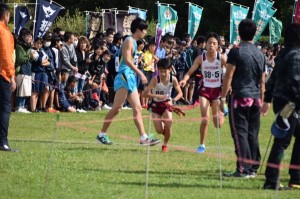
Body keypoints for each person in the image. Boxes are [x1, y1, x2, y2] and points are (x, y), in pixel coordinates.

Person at [96, 17, 160, 146]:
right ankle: (101, 134)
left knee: (137, 107)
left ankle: (143, 138)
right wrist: (141, 73)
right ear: (138, 30)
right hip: (124, 76)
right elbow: (128, 61)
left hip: (130, 77)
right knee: (117, 108)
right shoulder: (129, 41)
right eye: (144, 30)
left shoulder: (134, 43)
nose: (145, 33)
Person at [220, 19, 266, 178]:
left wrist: (222, 97)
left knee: (240, 132)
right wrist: (262, 100)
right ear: (255, 33)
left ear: (239, 32)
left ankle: (243, 168)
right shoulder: (260, 53)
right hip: (255, 99)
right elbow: (262, 81)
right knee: (252, 133)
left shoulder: (236, 51)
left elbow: (228, 75)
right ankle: (253, 167)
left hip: (240, 97)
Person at [261, 23, 300, 190]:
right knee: (282, 140)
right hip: (290, 104)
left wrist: (268, 99)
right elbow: (296, 82)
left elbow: (272, 78)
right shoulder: (296, 55)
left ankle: (296, 177)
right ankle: (271, 180)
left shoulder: (284, 54)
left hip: (282, 102)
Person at [180, 32, 227, 154]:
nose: (211, 45)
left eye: (214, 43)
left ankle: (222, 112)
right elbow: (189, 72)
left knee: (217, 124)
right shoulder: (201, 58)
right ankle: (201, 145)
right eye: (209, 43)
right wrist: (184, 80)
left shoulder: (221, 58)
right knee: (205, 119)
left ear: (218, 46)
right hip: (205, 91)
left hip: (217, 91)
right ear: (205, 45)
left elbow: (231, 72)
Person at [143, 58, 182, 152]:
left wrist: (172, 100)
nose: (163, 73)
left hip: (167, 105)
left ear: (170, 70)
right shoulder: (155, 80)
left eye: (165, 71)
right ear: (158, 70)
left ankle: (165, 144)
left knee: (169, 123)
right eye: (160, 71)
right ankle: (166, 132)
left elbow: (180, 93)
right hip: (155, 105)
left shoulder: (173, 79)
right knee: (159, 130)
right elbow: (145, 93)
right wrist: (156, 95)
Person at [0, 3, 17, 151]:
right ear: (5, 15)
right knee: (5, 109)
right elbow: (6, 57)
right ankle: (3, 142)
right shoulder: (4, 32)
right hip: (2, 75)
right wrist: (11, 77)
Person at [15, 29, 34, 113]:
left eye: (30, 36)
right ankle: (18, 106)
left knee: (26, 90)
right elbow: (20, 59)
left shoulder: (29, 47)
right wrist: (29, 57)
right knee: (21, 90)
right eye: (27, 36)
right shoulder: (19, 46)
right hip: (21, 70)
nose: (29, 38)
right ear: (23, 37)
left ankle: (22, 106)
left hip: (28, 70)